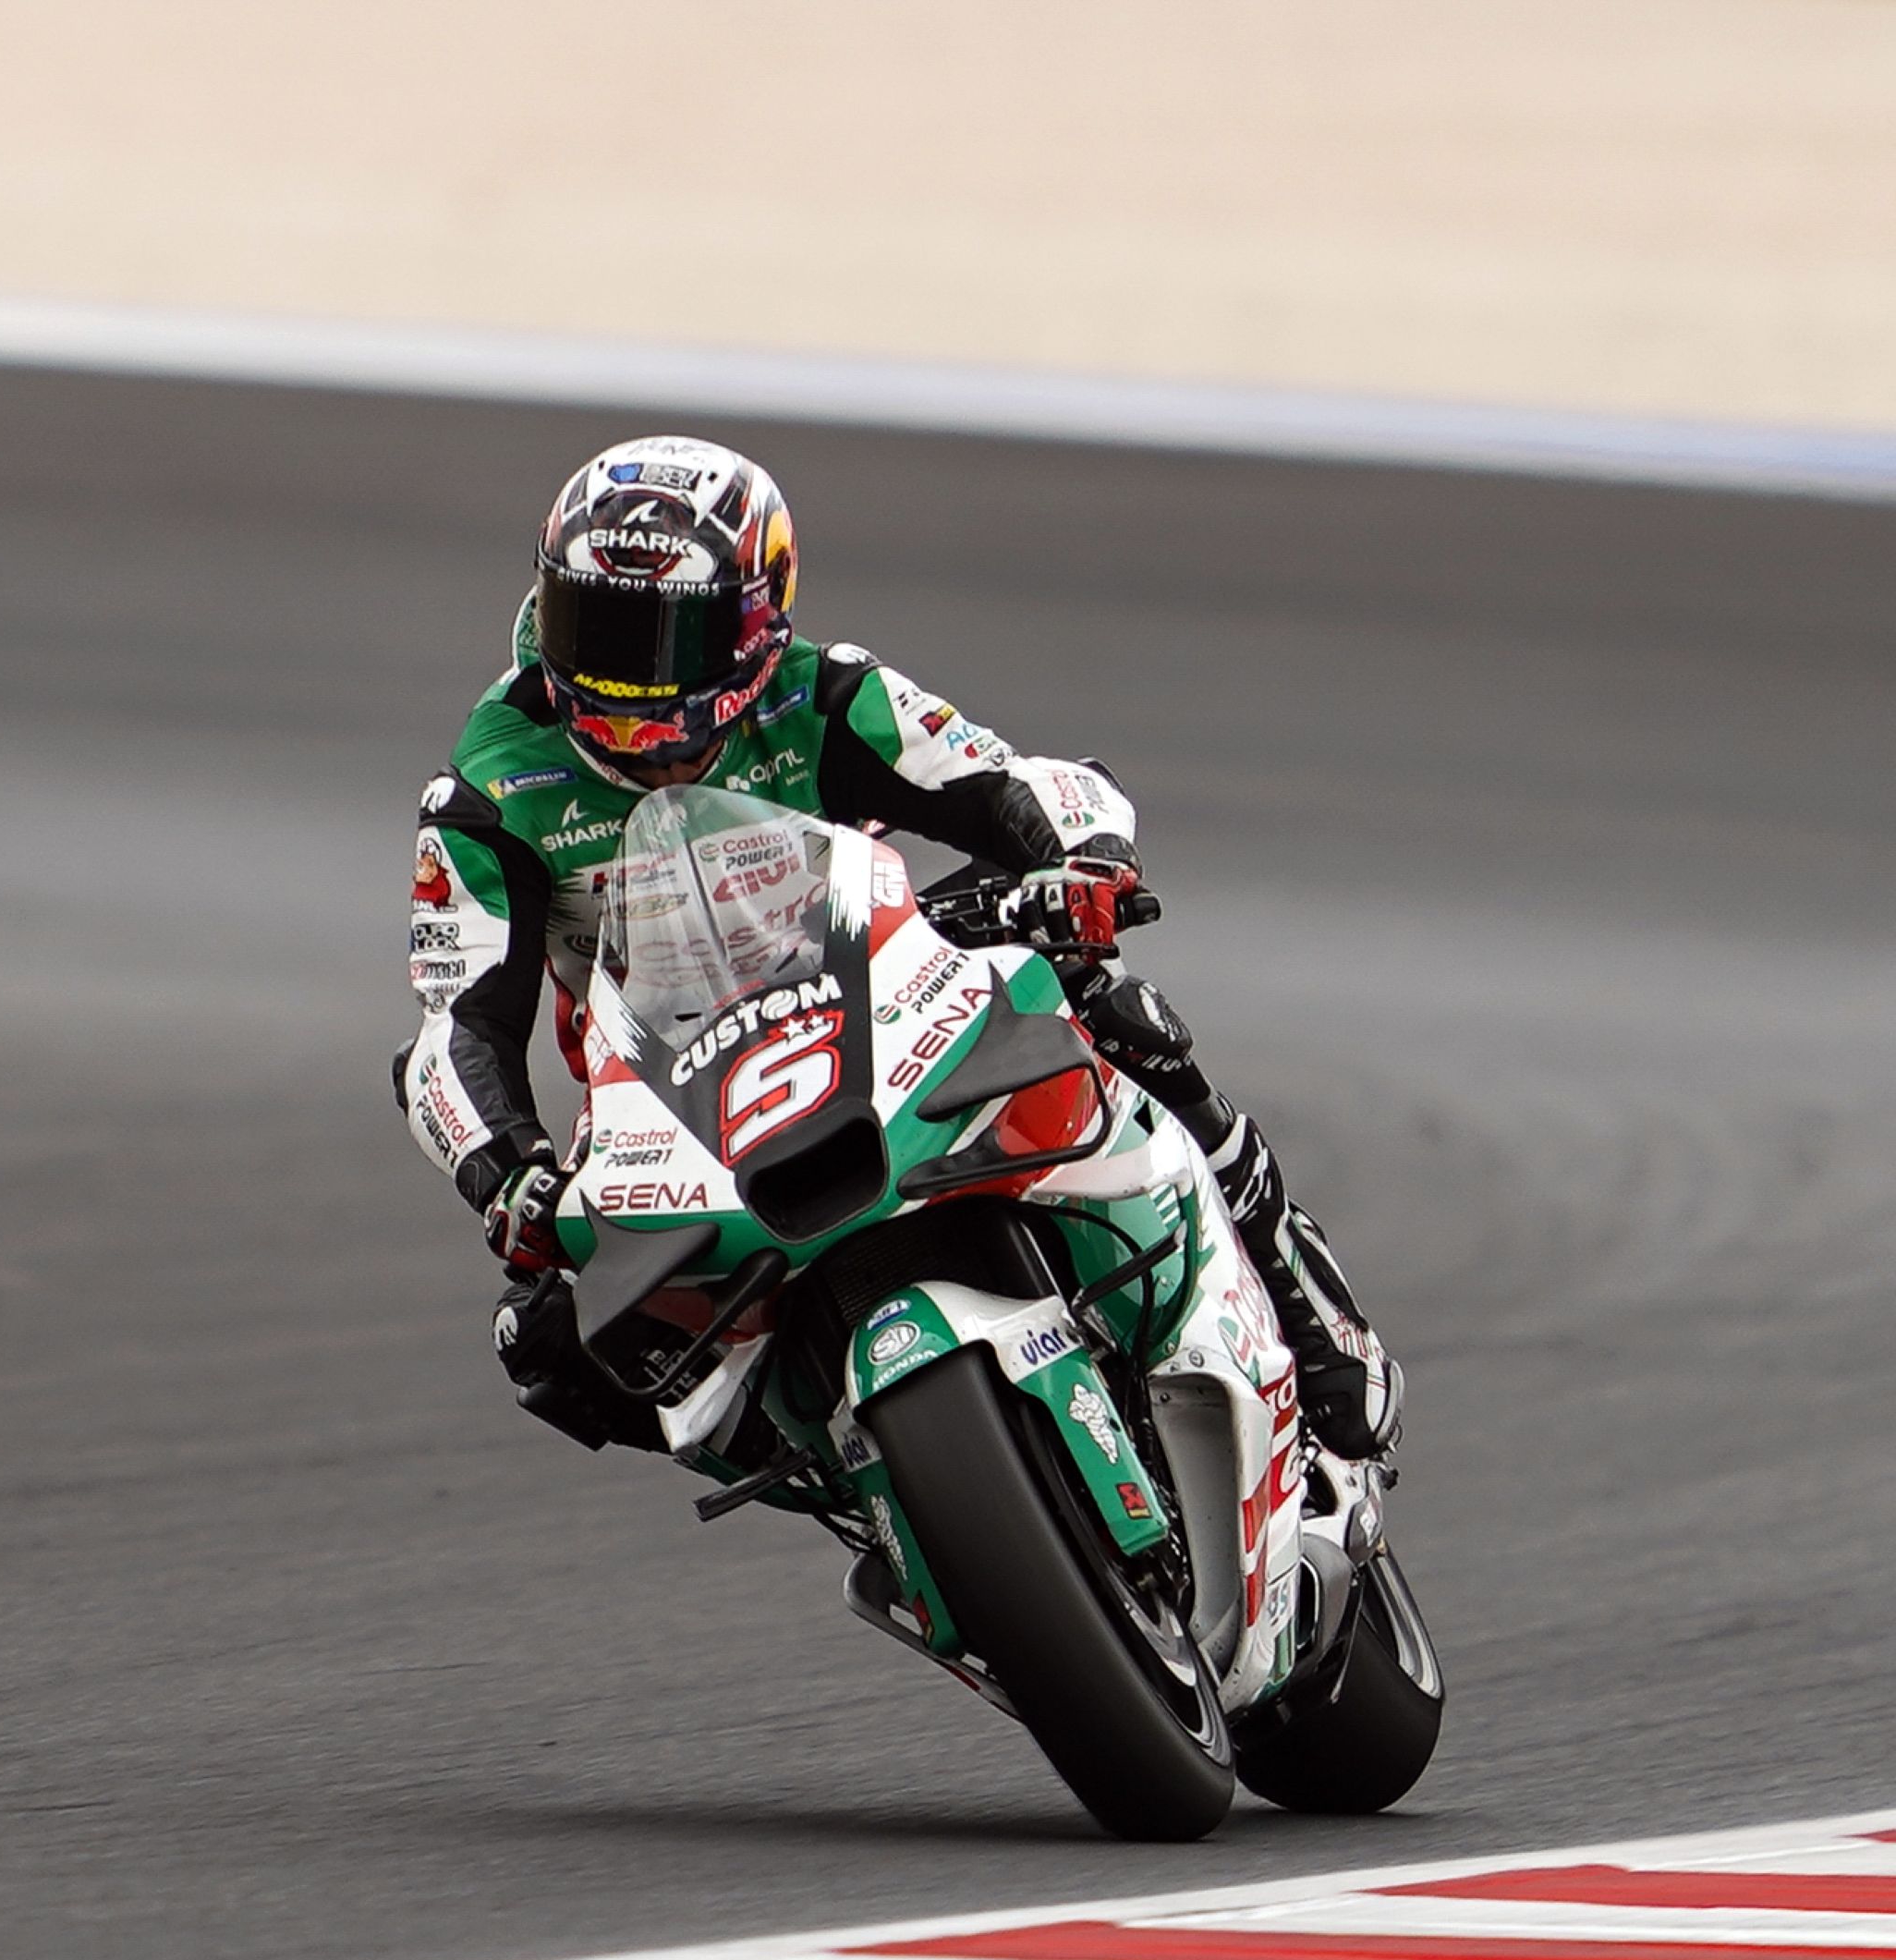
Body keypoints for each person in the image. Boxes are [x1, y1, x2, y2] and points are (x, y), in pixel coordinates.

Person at [396, 435, 1403, 1460]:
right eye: (595, 625)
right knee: (547, 1336)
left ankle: (1297, 1286)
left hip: (872, 989)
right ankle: (842, 1468)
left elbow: (1012, 784)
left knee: (1101, 1000)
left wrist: (1085, 863)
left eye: (666, 637)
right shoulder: (491, 787)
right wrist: (507, 1174)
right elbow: (452, 1032)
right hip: (670, 1095)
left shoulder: (824, 692)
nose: (626, 674)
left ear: (755, 620)